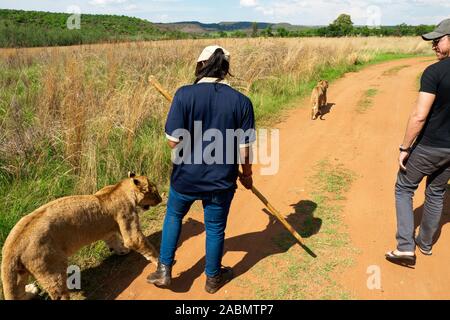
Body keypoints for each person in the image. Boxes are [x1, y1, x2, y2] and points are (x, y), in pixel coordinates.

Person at [147, 45, 256, 293]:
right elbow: (245, 148)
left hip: (184, 178)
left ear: (200, 66)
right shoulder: (242, 102)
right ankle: (213, 278)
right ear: (226, 70)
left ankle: (164, 270)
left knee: (174, 216)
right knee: (216, 227)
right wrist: (247, 175)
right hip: (221, 181)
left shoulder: (184, 95)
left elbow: (173, 141)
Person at [386, 19, 450, 267]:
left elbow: (419, 115)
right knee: (435, 191)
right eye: (433, 42)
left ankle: (405, 247)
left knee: (404, 188)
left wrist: (404, 148)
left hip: (429, 146)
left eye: (438, 40)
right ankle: (425, 243)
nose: (434, 45)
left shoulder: (434, 72)